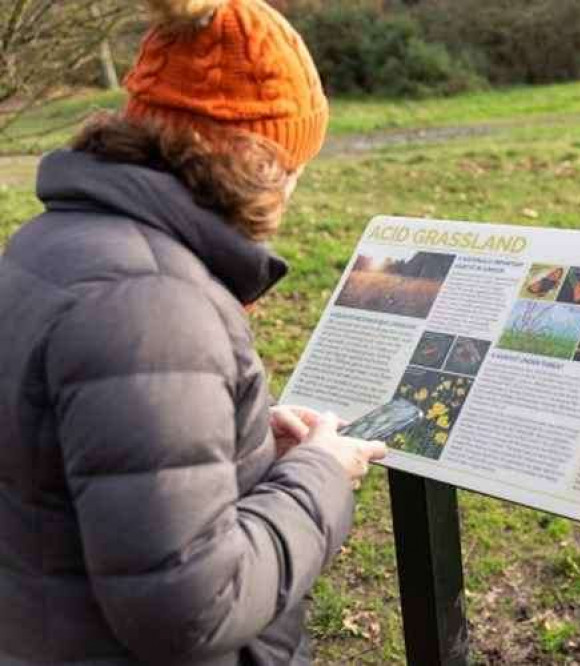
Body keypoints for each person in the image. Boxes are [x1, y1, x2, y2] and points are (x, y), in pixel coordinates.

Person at [0, 0, 386, 664]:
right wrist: (320, 475)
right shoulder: (153, 306)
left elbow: (86, 448)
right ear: (252, 161)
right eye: (293, 161)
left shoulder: (54, 242)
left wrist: (240, 433)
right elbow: (193, 607)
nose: (295, 185)